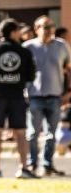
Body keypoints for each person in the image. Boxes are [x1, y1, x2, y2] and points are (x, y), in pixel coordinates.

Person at [0, 18, 36, 178]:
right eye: (18, 30)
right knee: (20, 132)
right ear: (13, 32)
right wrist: (17, 80)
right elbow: (31, 75)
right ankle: (24, 168)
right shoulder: (24, 52)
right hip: (17, 96)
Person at [23, 15, 68, 177]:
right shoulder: (28, 47)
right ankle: (32, 163)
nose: (49, 30)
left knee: (51, 134)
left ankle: (47, 164)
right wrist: (23, 92)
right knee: (32, 133)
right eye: (45, 26)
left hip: (55, 96)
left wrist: (68, 92)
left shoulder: (62, 46)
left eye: (51, 26)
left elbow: (68, 69)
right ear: (37, 29)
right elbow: (22, 73)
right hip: (34, 96)